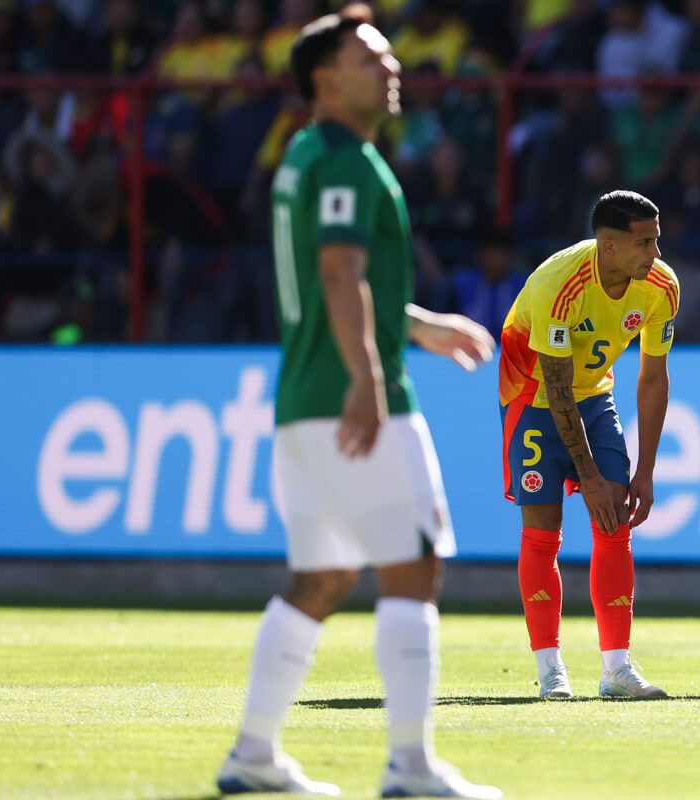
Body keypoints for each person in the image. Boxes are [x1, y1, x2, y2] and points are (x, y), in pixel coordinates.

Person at [215, 10, 501, 799]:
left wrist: (419, 325)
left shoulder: (306, 153)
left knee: (322, 576)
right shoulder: (344, 158)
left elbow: (337, 280)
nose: (390, 65)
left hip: (301, 397)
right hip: (349, 392)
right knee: (415, 564)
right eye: (369, 56)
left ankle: (252, 753)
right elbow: (340, 275)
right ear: (324, 78)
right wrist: (371, 380)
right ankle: (410, 766)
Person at [499, 190, 678, 699]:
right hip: (531, 398)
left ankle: (617, 670)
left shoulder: (661, 287)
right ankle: (550, 669)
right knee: (541, 532)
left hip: (596, 399)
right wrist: (591, 479)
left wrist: (644, 472)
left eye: (657, 240)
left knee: (615, 522)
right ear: (608, 245)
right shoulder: (560, 284)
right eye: (644, 243)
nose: (656, 254)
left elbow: (653, 379)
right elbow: (555, 389)